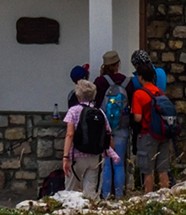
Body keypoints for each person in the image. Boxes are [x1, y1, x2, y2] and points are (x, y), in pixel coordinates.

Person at [130, 51, 176, 194]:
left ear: (141, 77)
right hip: (163, 132)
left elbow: (137, 117)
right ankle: (165, 195)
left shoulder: (139, 93)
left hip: (147, 134)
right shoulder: (160, 92)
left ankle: (149, 197)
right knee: (163, 168)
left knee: (147, 170)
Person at [62, 77, 109, 194]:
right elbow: (108, 133)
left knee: (71, 193)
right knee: (90, 193)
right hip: (94, 156)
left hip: (76, 157)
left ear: (78, 96)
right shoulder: (100, 112)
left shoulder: (73, 111)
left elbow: (69, 134)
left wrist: (65, 157)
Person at [98, 54, 131, 198]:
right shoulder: (128, 82)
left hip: (105, 129)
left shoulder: (100, 82)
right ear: (118, 64)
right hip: (122, 127)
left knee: (106, 164)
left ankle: (105, 195)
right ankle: (119, 195)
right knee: (119, 163)